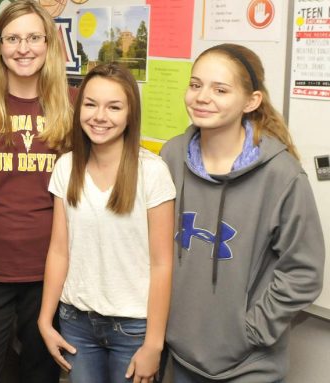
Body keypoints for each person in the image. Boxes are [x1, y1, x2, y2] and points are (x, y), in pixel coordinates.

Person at [160, 43, 325, 382]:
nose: (202, 97)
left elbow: (303, 272)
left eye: (220, 89)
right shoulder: (171, 155)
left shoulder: (282, 175)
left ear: (251, 101)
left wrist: (250, 332)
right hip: (178, 357)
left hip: (249, 367)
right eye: (195, 84)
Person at [37, 63, 174, 383]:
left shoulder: (152, 171)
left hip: (134, 328)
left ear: (130, 114)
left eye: (114, 107)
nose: (100, 116)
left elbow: (162, 263)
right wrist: (45, 320)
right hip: (76, 323)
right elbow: (59, 251)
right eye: (90, 104)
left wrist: (153, 344)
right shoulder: (66, 166)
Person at [0, 1, 76, 382]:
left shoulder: (73, 105)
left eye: (33, 38)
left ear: (50, 43)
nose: (23, 48)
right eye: (12, 38)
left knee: (41, 375)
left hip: (50, 269)